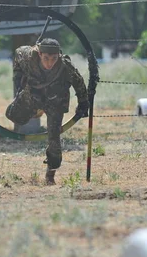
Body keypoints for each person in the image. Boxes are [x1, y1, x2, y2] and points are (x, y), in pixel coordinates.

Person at [5, 38, 89, 185]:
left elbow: (79, 83)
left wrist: (83, 104)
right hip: (33, 96)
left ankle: (50, 175)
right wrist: (18, 78)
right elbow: (17, 53)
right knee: (13, 116)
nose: (50, 63)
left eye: (54, 59)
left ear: (59, 56)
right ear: (39, 53)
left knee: (54, 140)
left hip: (55, 101)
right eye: (46, 58)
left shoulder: (65, 66)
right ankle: (37, 110)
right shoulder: (28, 56)